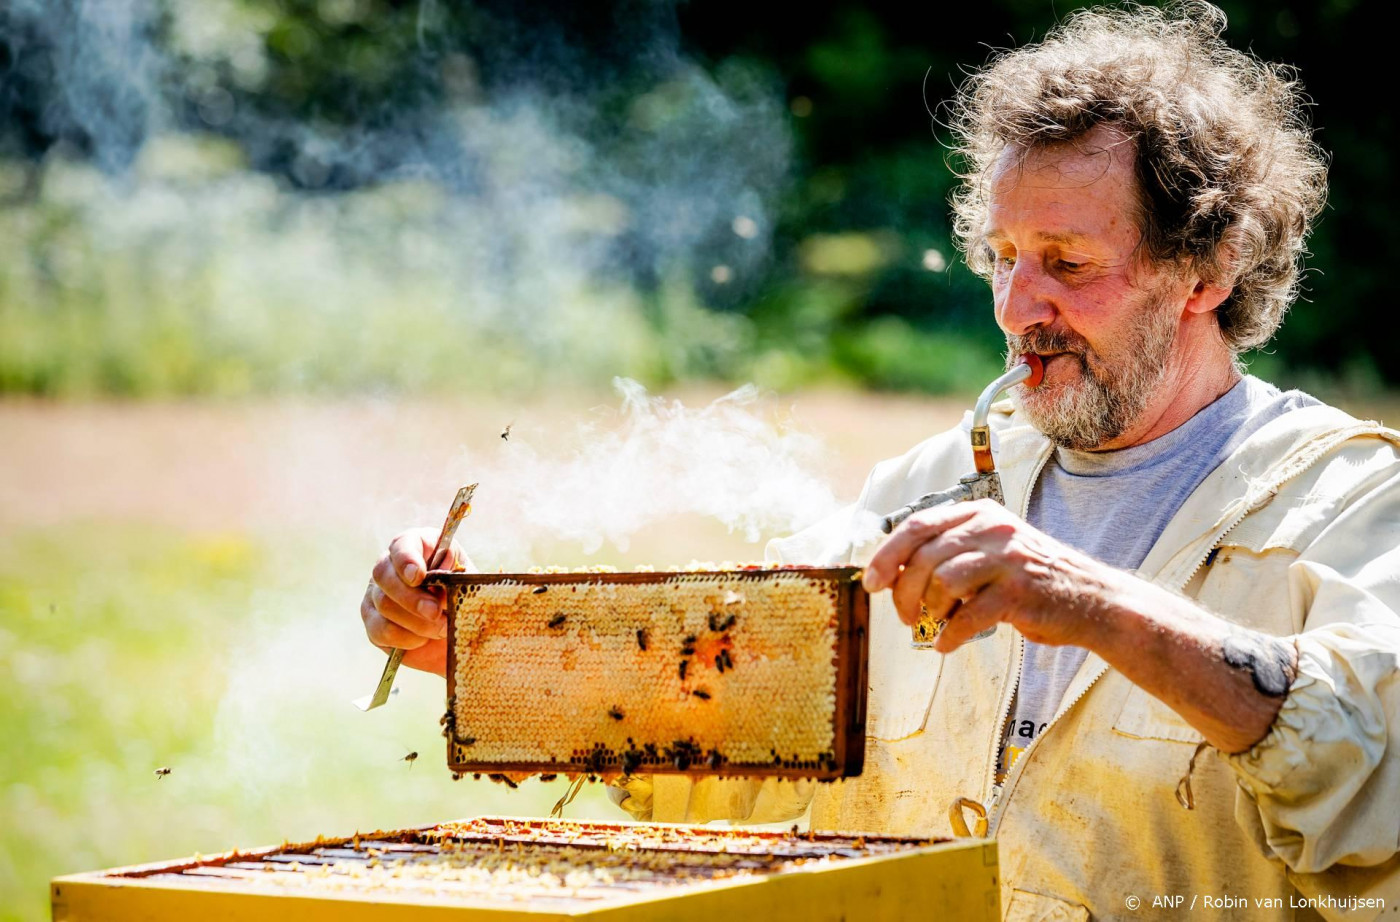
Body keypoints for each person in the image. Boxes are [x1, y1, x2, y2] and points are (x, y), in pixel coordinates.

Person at [361, 3, 1400, 917]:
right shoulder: (929, 487)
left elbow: (1373, 773)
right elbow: (722, 728)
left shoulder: (1347, 499)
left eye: (1067, 266)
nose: (1015, 306)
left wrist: (1094, 603)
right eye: (1001, 257)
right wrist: (484, 650)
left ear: (1203, 270)